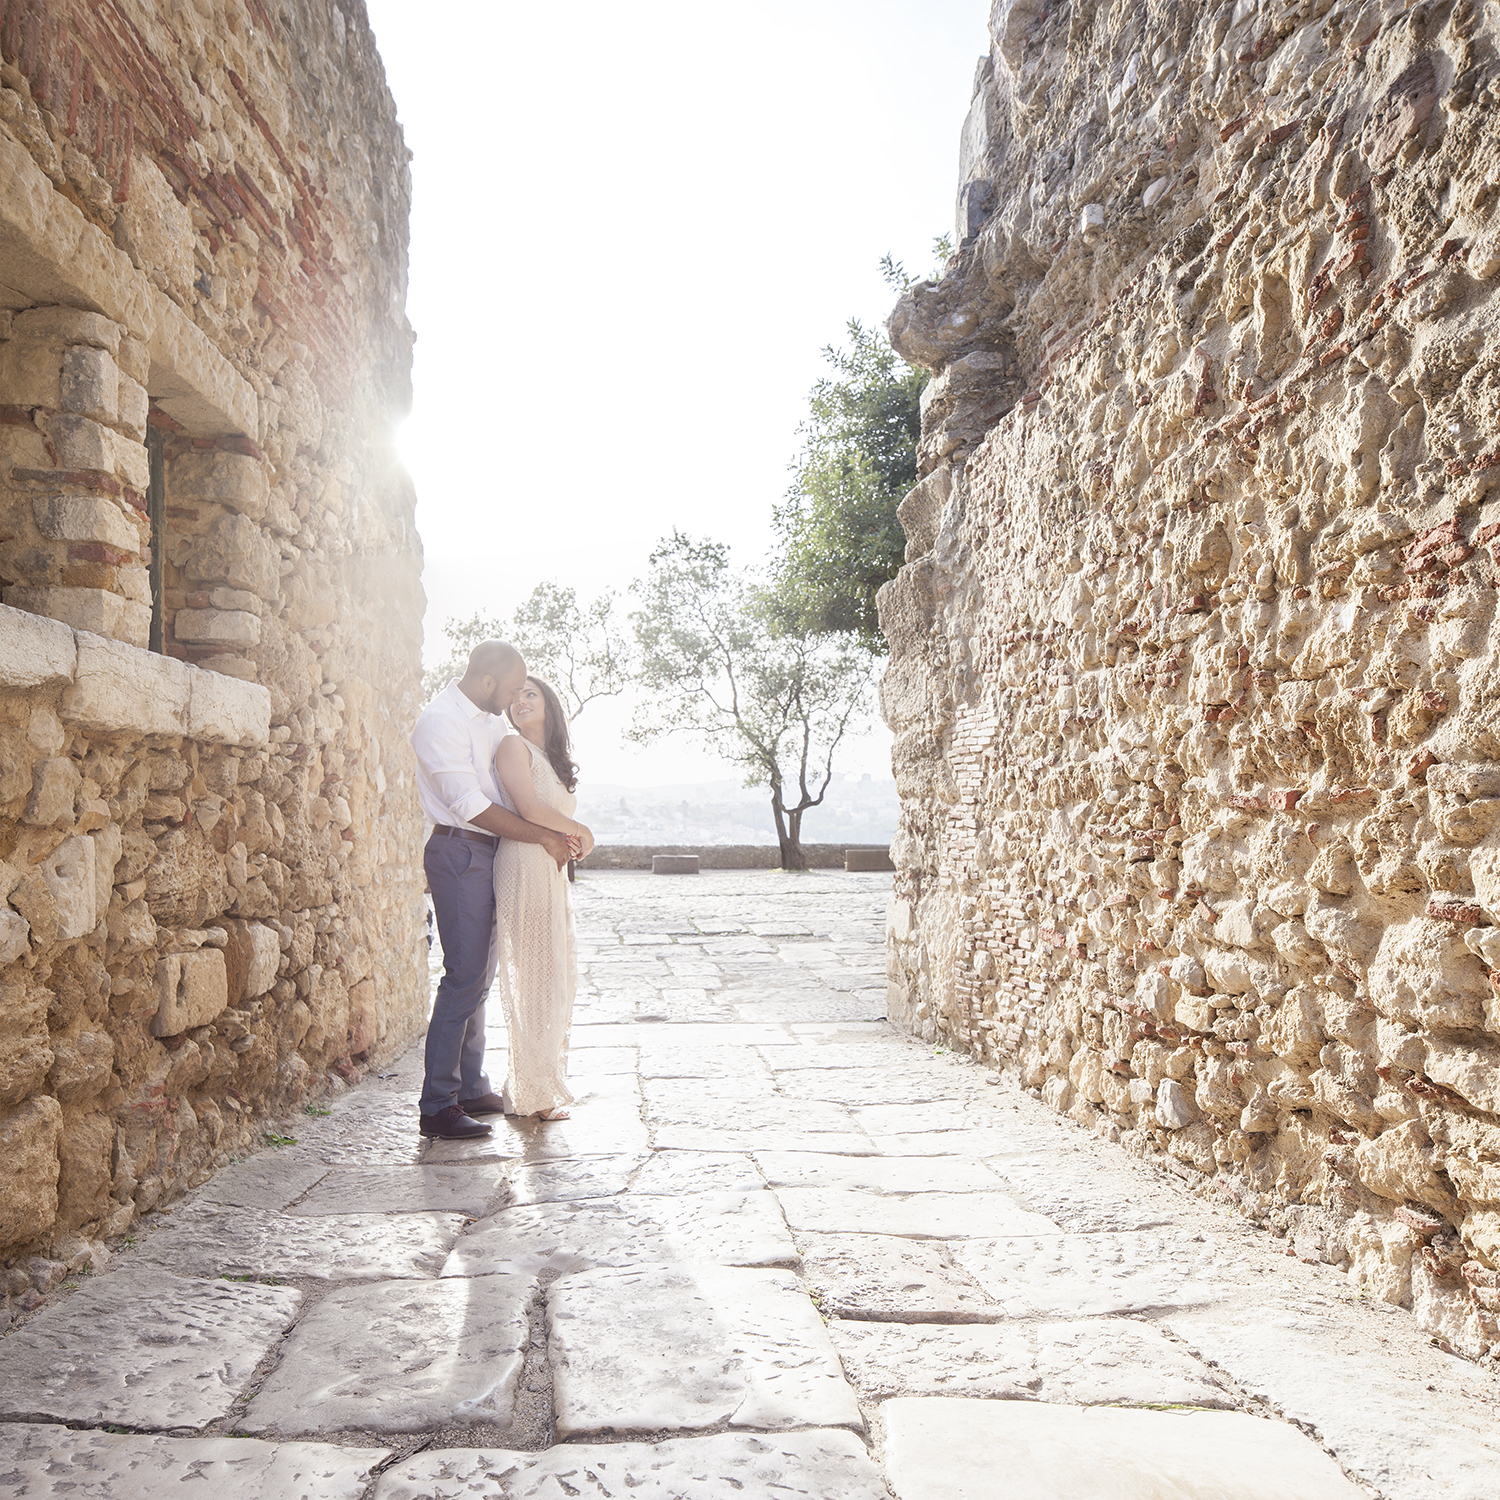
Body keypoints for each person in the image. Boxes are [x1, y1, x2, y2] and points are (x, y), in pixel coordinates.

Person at [409, 641, 571, 1140]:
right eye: (507, 690)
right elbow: (470, 804)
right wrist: (546, 835)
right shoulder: (440, 720)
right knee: (462, 977)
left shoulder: (490, 720)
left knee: (480, 975)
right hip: (460, 851)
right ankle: (437, 1105)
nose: (511, 702)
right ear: (486, 683)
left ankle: (471, 1087)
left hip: (492, 853)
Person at [492, 675, 593, 1119]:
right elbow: (530, 810)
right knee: (533, 976)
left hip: (549, 871)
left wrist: (570, 839)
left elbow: (550, 813)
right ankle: (533, 1093)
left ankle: (531, 1085)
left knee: (550, 975)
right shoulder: (513, 747)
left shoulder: (552, 759)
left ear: (549, 706)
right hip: (524, 865)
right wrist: (582, 831)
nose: (520, 702)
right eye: (514, 698)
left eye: (530, 694)